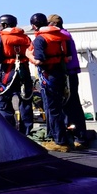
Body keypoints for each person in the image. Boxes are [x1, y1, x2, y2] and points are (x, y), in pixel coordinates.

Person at [27, 12, 70, 151]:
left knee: (52, 109)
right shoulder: (61, 37)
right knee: (58, 107)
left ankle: (60, 141)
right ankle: (58, 137)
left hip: (48, 75)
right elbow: (67, 57)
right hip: (61, 74)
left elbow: (39, 60)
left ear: (34, 26)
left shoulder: (40, 39)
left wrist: (28, 55)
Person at [0, 13, 33, 136]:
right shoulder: (26, 38)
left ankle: (10, 131)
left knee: (4, 103)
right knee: (25, 101)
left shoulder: (1, 39)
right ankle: (26, 132)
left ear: (4, 25)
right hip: (24, 72)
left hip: (8, 74)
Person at [49, 14, 86, 149]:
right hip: (71, 73)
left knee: (69, 105)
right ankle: (78, 136)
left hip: (66, 75)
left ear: (52, 24)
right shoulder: (66, 34)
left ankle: (78, 137)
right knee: (72, 104)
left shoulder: (60, 36)